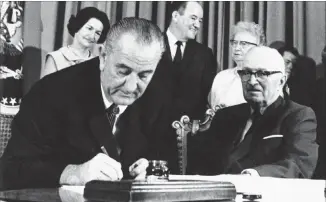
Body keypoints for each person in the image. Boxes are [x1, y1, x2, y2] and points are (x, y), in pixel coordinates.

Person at [0, 17, 165, 189]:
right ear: (103, 57)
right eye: (123, 72)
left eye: (144, 75)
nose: (131, 87)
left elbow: (172, 158)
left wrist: (152, 168)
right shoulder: (51, 93)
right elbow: (9, 170)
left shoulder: (159, 95)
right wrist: (71, 173)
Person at [188, 46, 318, 178]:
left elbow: (298, 165)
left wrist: (252, 176)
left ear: (281, 81)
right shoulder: (225, 115)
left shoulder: (298, 116)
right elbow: (201, 164)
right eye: (246, 73)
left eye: (262, 74)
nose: (251, 81)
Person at [139, 1, 217, 174]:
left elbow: (206, 97)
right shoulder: (147, 44)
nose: (197, 24)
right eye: (193, 18)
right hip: (146, 139)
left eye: (200, 20)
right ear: (175, 16)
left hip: (186, 145)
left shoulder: (205, 55)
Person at [208, 21, 266, 109]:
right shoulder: (221, 77)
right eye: (234, 43)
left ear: (258, 47)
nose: (237, 48)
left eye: (243, 44)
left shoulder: (263, 80)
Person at [40, 7, 110, 78]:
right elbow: (45, 88)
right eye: (89, 28)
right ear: (78, 25)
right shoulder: (56, 58)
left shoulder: (97, 63)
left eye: (97, 33)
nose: (92, 36)